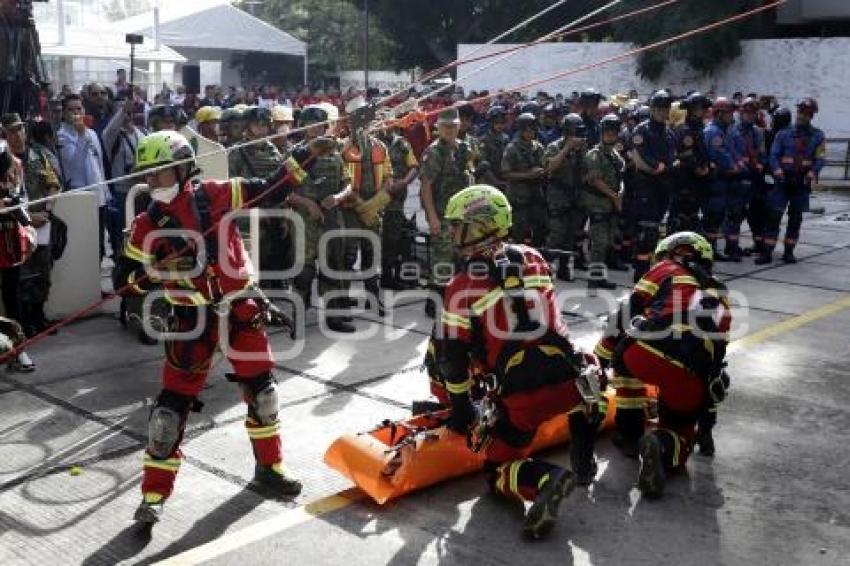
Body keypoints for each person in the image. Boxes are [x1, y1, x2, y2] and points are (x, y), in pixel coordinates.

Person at [115, 130, 307, 524]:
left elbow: (272, 189)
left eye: (160, 174)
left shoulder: (217, 194)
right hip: (191, 321)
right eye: (147, 177)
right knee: (168, 416)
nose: (153, 184)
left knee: (264, 395)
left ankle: (269, 469)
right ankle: (153, 495)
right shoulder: (144, 224)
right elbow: (126, 280)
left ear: (184, 169)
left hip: (241, 311)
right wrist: (156, 272)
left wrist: (311, 152)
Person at [427, 184, 597, 538]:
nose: (452, 232)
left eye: (459, 225)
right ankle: (584, 461)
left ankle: (545, 479)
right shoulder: (534, 258)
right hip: (571, 384)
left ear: (480, 226)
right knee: (589, 364)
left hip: (522, 400)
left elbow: (452, 359)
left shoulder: (460, 285)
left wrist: (462, 411)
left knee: (498, 469)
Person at [601, 232, 731, 496]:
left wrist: (601, 357)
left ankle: (629, 435)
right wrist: (704, 430)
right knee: (680, 431)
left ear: (669, 254)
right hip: (691, 370)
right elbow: (716, 366)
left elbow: (627, 311)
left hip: (646, 350)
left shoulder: (665, 269)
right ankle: (661, 443)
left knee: (625, 363)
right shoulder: (722, 296)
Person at [290, 105, 356, 332]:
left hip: (332, 218)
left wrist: (337, 197)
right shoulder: (295, 154)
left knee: (333, 268)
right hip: (305, 219)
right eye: (310, 124)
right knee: (303, 272)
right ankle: (296, 316)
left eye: (319, 124)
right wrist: (307, 203)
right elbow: (283, 190)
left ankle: (334, 317)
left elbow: (348, 184)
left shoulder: (334, 153)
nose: (315, 129)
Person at [2, 114, 61, 337]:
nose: (17, 135)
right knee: (20, 278)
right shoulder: (4, 164)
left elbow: (54, 184)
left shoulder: (39, 156)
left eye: (20, 129)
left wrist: (46, 210)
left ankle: (39, 314)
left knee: (43, 272)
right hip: (14, 229)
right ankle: (23, 321)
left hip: (42, 225)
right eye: (11, 131)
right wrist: (29, 217)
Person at [418, 107, 474, 318]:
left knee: (461, 258)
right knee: (442, 259)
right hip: (442, 215)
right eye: (446, 126)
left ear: (459, 126)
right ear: (438, 128)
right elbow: (426, 186)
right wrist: (432, 217)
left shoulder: (464, 148)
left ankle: (454, 300)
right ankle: (434, 304)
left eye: (453, 126)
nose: (450, 130)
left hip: (464, 215)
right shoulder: (434, 152)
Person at [758, 98, 826, 265]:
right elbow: (774, 156)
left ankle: (789, 252)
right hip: (783, 183)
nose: (802, 115)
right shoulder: (783, 133)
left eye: (807, 113)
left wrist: (811, 175)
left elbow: (820, 159)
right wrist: (779, 174)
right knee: (773, 216)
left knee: (795, 219)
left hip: (801, 184)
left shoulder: (818, 136)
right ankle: (767, 252)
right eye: (801, 111)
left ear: (812, 115)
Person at [55, 94, 111, 261]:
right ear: (64, 113)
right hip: (80, 197)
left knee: (100, 246)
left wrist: (106, 190)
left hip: (99, 196)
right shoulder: (62, 136)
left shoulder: (92, 133)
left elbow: (99, 163)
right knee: (85, 246)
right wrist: (81, 136)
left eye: (79, 109)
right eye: (71, 110)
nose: (76, 113)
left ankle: (97, 282)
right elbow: (75, 165)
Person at [628, 90, 676, 281]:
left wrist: (669, 168)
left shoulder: (669, 133)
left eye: (666, 109)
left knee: (656, 229)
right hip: (647, 184)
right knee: (646, 231)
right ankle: (640, 273)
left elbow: (673, 157)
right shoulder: (642, 130)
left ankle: (650, 269)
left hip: (663, 185)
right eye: (660, 109)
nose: (664, 112)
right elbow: (641, 157)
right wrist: (657, 166)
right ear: (653, 109)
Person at [0, 143, 37, 371]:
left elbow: (21, 197)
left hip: (8, 239)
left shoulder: (15, 163)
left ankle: (18, 350)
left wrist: (26, 225)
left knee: (13, 296)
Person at [582, 114, 626, 291]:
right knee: (599, 243)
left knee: (608, 242)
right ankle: (593, 280)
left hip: (611, 204)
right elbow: (596, 181)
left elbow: (621, 176)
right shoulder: (594, 155)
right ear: (601, 133)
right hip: (598, 203)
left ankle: (599, 276)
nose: (610, 136)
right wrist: (614, 196)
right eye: (607, 133)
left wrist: (620, 192)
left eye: (613, 133)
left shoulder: (616, 155)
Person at [544, 113, 588, 281]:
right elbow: (550, 168)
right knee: (556, 234)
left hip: (576, 196)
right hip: (558, 196)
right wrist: (567, 148)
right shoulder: (555, 146)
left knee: (570, 235)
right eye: (574, 132)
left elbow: (587, 170)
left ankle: (564, 268)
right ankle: (545, 268)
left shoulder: (583, 148)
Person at [379, 117, 419, 290]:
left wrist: (403, 182)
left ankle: (388, 277)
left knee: (393, 239)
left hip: (396, 199)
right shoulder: (373, 144)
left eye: (389, 124)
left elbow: (414, 167)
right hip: (377, 199)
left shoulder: (402, 144)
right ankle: (374, 277)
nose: (386, 127)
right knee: (375, 239)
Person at [703, 97, 742, 262]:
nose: (731, 117)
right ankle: (708, 250)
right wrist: (733, 166)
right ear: (719, 114)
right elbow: (719, 154)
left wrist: (738, 164)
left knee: (718, 217)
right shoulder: (714, 132)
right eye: (728, 113)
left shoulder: (725, 131)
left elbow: (732, 151)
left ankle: (712, 249)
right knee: (712, 216)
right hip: (715, 179)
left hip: (723, 180)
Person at [501, 112, 547, 247]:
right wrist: (528, 175)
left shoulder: (538, 147)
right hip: (518, 197)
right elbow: (506, 174)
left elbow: (545, 166)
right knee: (519, 232)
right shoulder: (512, 148)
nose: (531, 132)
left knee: (540, 228)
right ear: (521, 130)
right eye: (527, 130)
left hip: (536, 196)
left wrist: (542, 172)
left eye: (533, 129)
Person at [670, 92, 712, 234]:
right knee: (680, 217)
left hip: (696, 180)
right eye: (701, 108)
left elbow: (701, 151)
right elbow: (686, 154)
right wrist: (699, 169)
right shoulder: (686, 129)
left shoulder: (698, 128)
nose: (704, 111)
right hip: (685, 179)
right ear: (692, 109)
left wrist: (707, 165)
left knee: (692, 216)